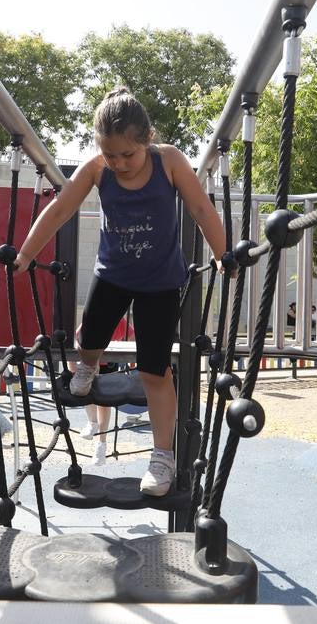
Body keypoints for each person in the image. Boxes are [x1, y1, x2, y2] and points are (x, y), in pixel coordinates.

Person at [14, 87, 227, 496]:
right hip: (112, 275)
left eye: (127, 155)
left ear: (147, 140)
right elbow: (61, 209)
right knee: (88, 343)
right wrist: (26, 253)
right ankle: (88, 366)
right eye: (111, 155)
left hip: (161, 283)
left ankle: (162, 458)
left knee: (154, 370)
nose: (119, 163)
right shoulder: (97, 169)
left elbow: (201, 208)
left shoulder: (170, 161)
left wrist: (222, 255)